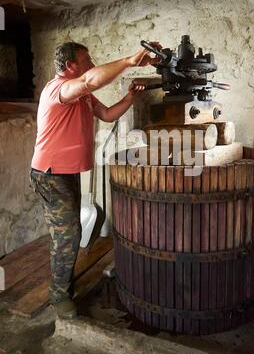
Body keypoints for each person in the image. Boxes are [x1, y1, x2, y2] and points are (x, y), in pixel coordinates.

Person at [30, 41, 161, 319]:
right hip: (49, 174)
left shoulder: (83, 96)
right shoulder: (59, 89)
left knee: (70, 230)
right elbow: (90, 79)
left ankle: (64, 284)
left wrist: (129, 98)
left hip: (66, 173)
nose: (91, 65)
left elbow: (107, 114)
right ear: (70, 66)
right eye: (86, 61)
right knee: (68, 235)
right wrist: (128, 61)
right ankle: (59, 295)